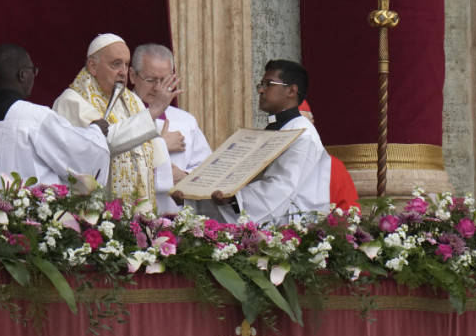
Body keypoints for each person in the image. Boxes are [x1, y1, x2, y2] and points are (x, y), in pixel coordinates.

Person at [0, 44, 110, 188]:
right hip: (25, 219)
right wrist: (96, 131)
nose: (34, 76)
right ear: (22, 75)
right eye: (33, 71)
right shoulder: (34, 118)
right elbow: (80, 154)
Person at [53, 34, 181, 210]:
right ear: (93, 66)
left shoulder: (131, 100)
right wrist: (154, 110)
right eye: (116, 64)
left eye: (126, 64)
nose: (123, 71)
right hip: (95, 213)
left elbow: (154, 159)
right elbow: (103, 143)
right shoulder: (73, 102)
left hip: (137, 212)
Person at [206, 59, 330, 225]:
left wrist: (234, 199)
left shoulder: (302, 133)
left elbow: (281, 188)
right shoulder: (276, 128)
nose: (261, 91)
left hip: (291, 227)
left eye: (268, 84)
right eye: (261, 84)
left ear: (291, 91)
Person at [129, 44, 211, 213]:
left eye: (165, 80)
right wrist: (161, 145)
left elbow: (207, 168)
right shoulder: (119, 115)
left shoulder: (185, 121)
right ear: (132, 76)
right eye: (151, 80)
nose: (158, 87)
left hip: (177, 215)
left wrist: (186, 178)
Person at [298, 100, 360, 213]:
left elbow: (348, 213)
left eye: (303, 124)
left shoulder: (333, 166)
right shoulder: (269, 164)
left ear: (312, 124)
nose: (298, 132)